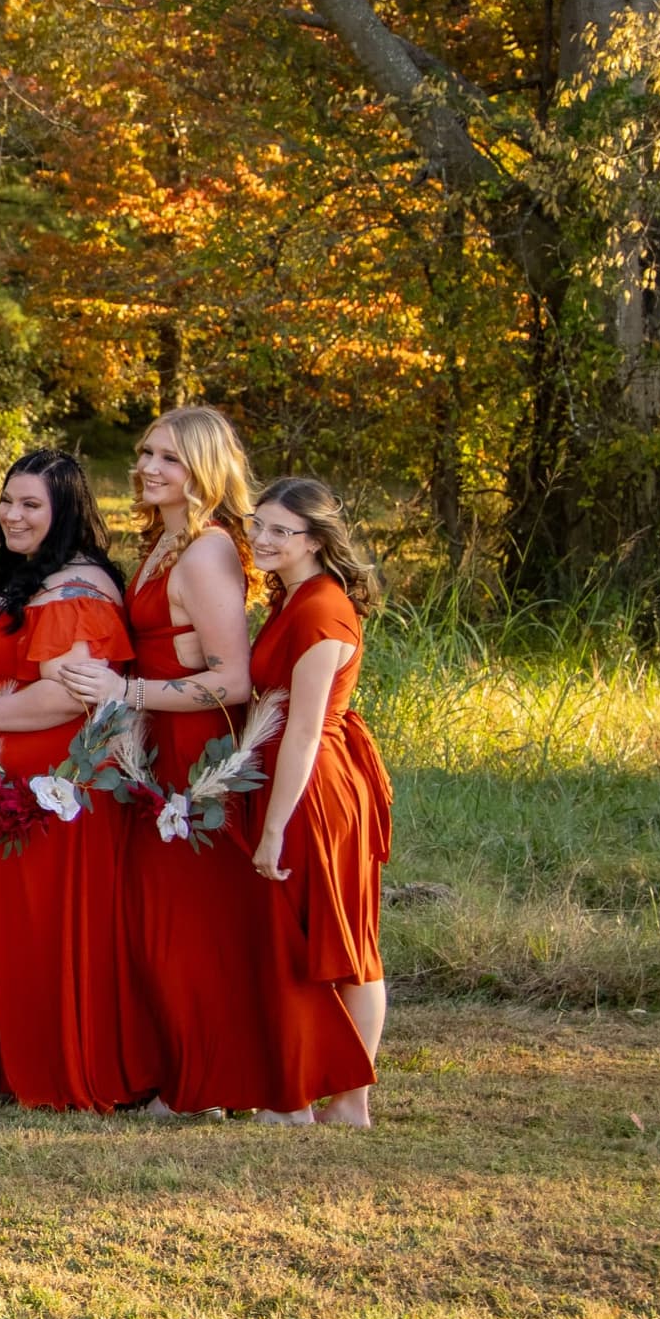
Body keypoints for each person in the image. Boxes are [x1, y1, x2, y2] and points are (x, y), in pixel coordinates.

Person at [51, 405, 284, 1115]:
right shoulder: (164, 540)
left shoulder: (208, 550)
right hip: (154, 748)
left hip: (196, 751)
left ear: (204, 470)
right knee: (162, 923)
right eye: (147, 453)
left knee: (193, 921)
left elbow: (232, 679)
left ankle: (210, 1084)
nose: (149, 467)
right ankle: (197, 1072)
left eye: (169, 459)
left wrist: (128, 689)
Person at [0, 447, 152, 1110]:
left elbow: (67, 696)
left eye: (31, 505)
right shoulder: (25, 573)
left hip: (43, 786)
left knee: (39, 927)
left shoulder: (77, 586)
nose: (13, 515)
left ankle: (59, 1068)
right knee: (1, 926)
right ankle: (6, 1063)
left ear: (65, 512)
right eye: (7, 500)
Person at [245, 478, 396, 1127]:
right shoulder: (292, 597)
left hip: (316, 786)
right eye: (258, 525)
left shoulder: (318, 609)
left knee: (344, 939)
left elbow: (305, 728)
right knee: (307, 937)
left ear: (314, 537)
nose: (262, 539)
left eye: (280, 529)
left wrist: (274, 826)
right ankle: (314, 1091)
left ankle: (351, 1100)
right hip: (295, 776)